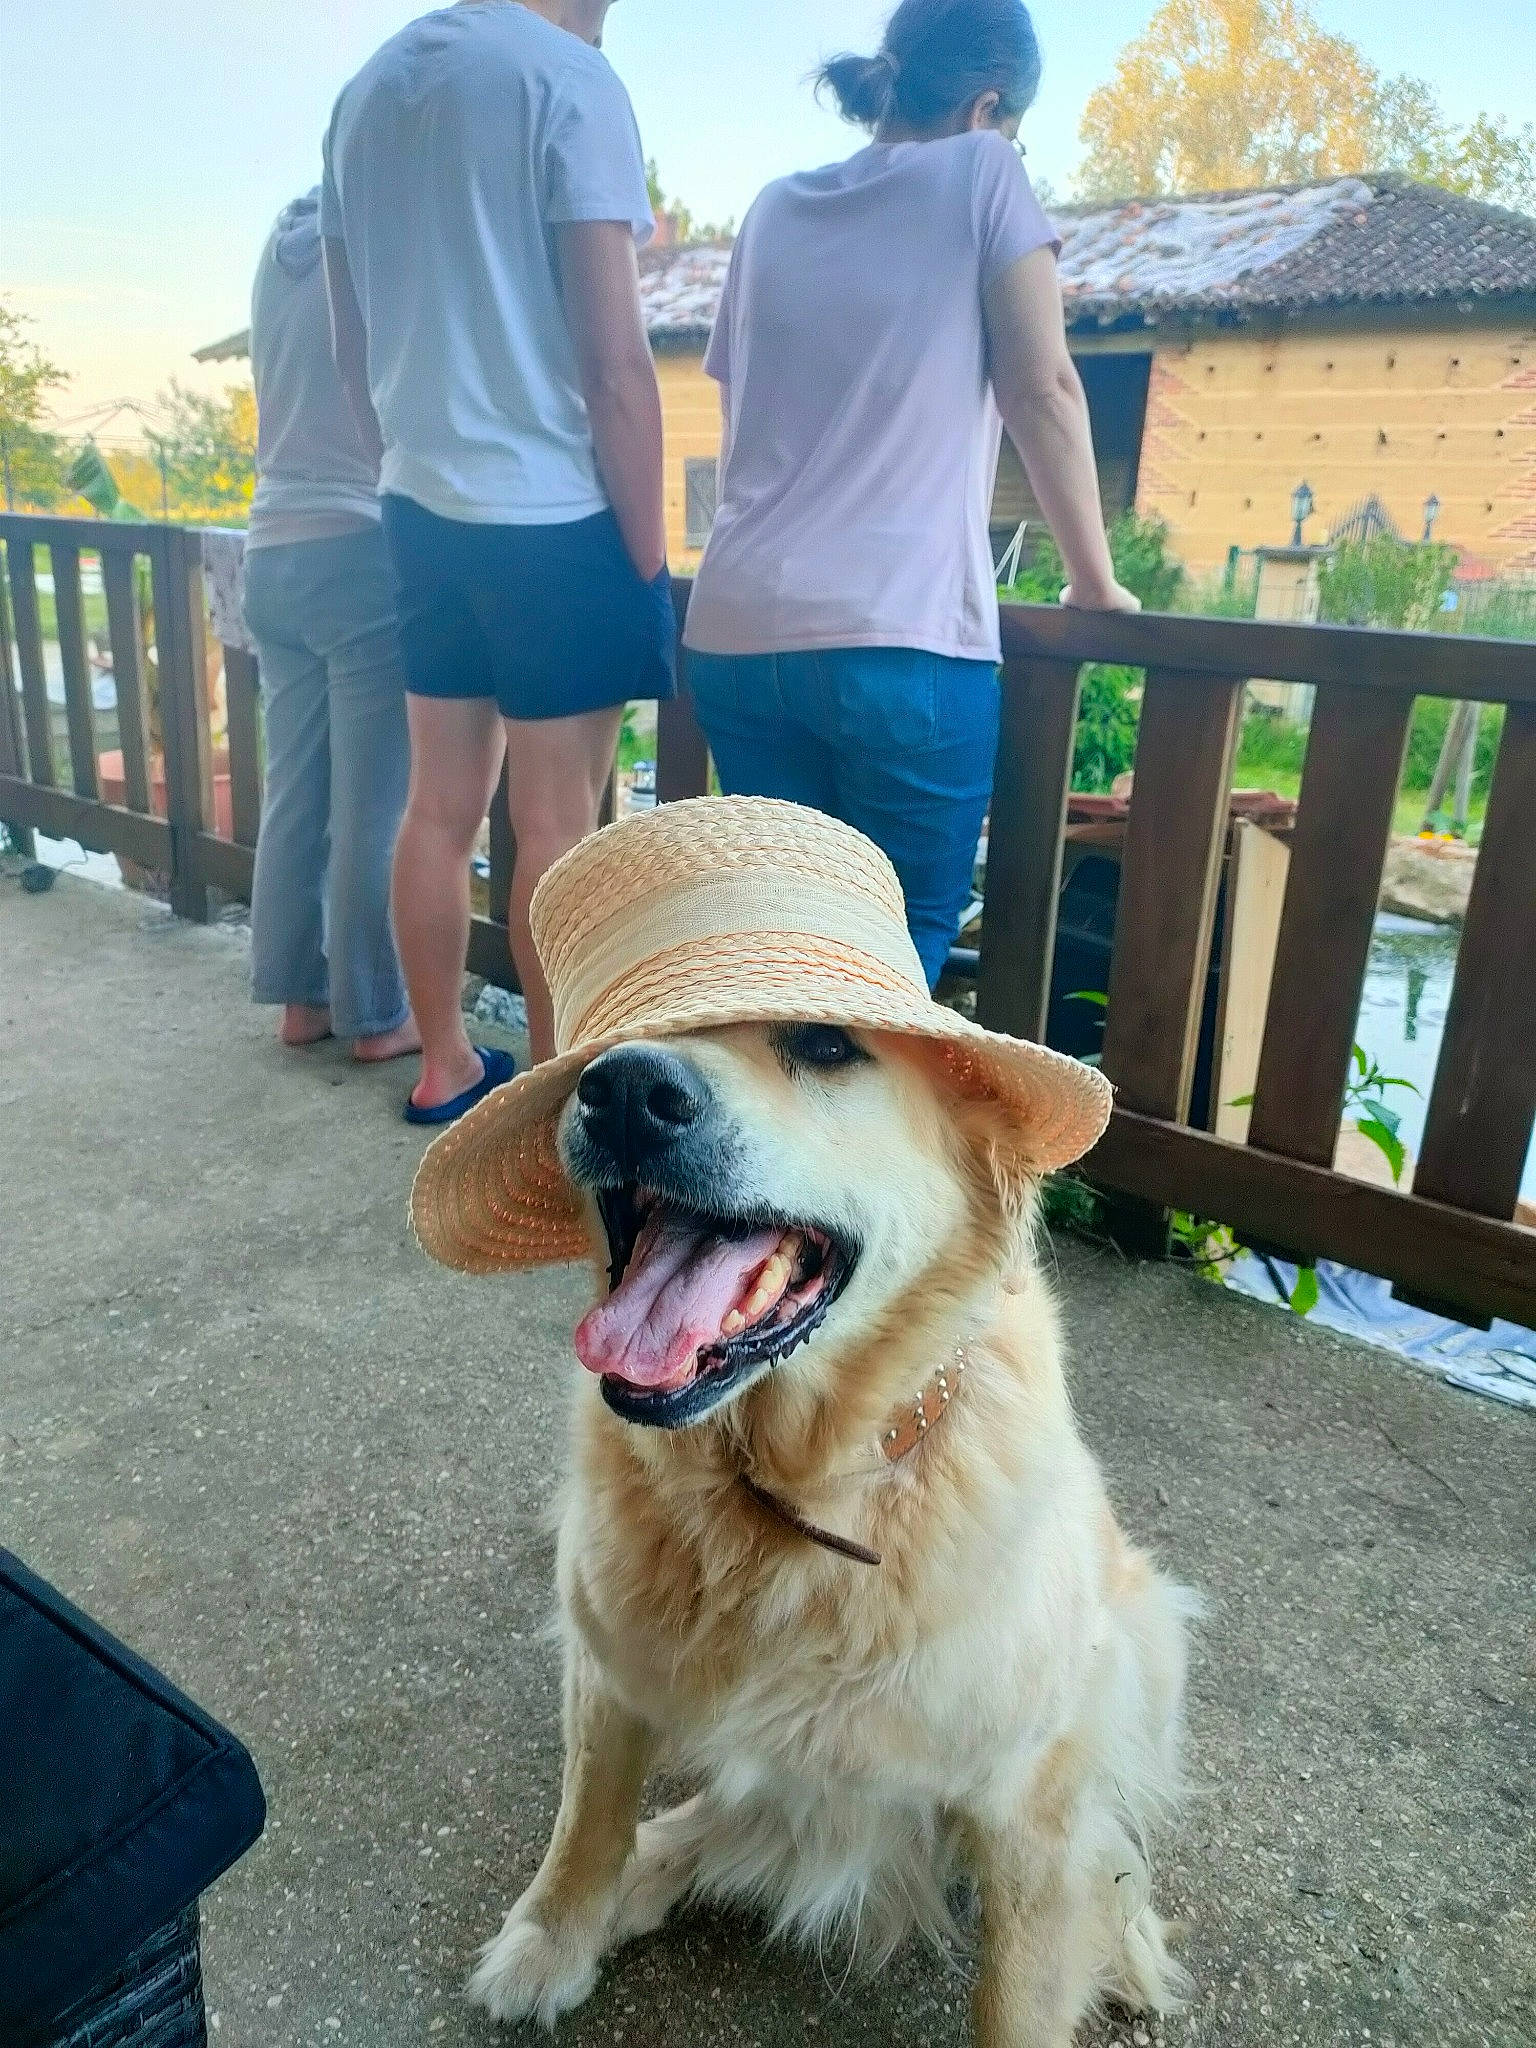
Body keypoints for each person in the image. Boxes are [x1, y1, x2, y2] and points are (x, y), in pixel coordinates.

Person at [683, 0, 1140, 988]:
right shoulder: (985, 171)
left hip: (733, 630)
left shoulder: (772, 208)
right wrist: (1095, 584)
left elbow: (742, 409)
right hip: (898, 637)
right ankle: (844, 1140)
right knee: (898, 938)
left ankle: (777, 1132)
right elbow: (1044, 387)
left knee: (787, 932)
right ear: (988, 105)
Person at [322, 0, 675, 1122]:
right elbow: (617, 363)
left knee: (439, 807)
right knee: (558, 818)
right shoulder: (568, 81)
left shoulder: (367, 90)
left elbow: (352, 345)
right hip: (557, 515)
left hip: (422, 505)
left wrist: (407, 474)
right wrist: (649, 559)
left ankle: (444, 1067)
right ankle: (562, 1093)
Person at [243, 190, 419, 1065]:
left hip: (269, 545)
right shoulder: (376, 243)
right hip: (353, 546)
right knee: (372, 805)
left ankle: (298, 998)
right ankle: (379, 1015)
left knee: (296, 792)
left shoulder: (280, 253)